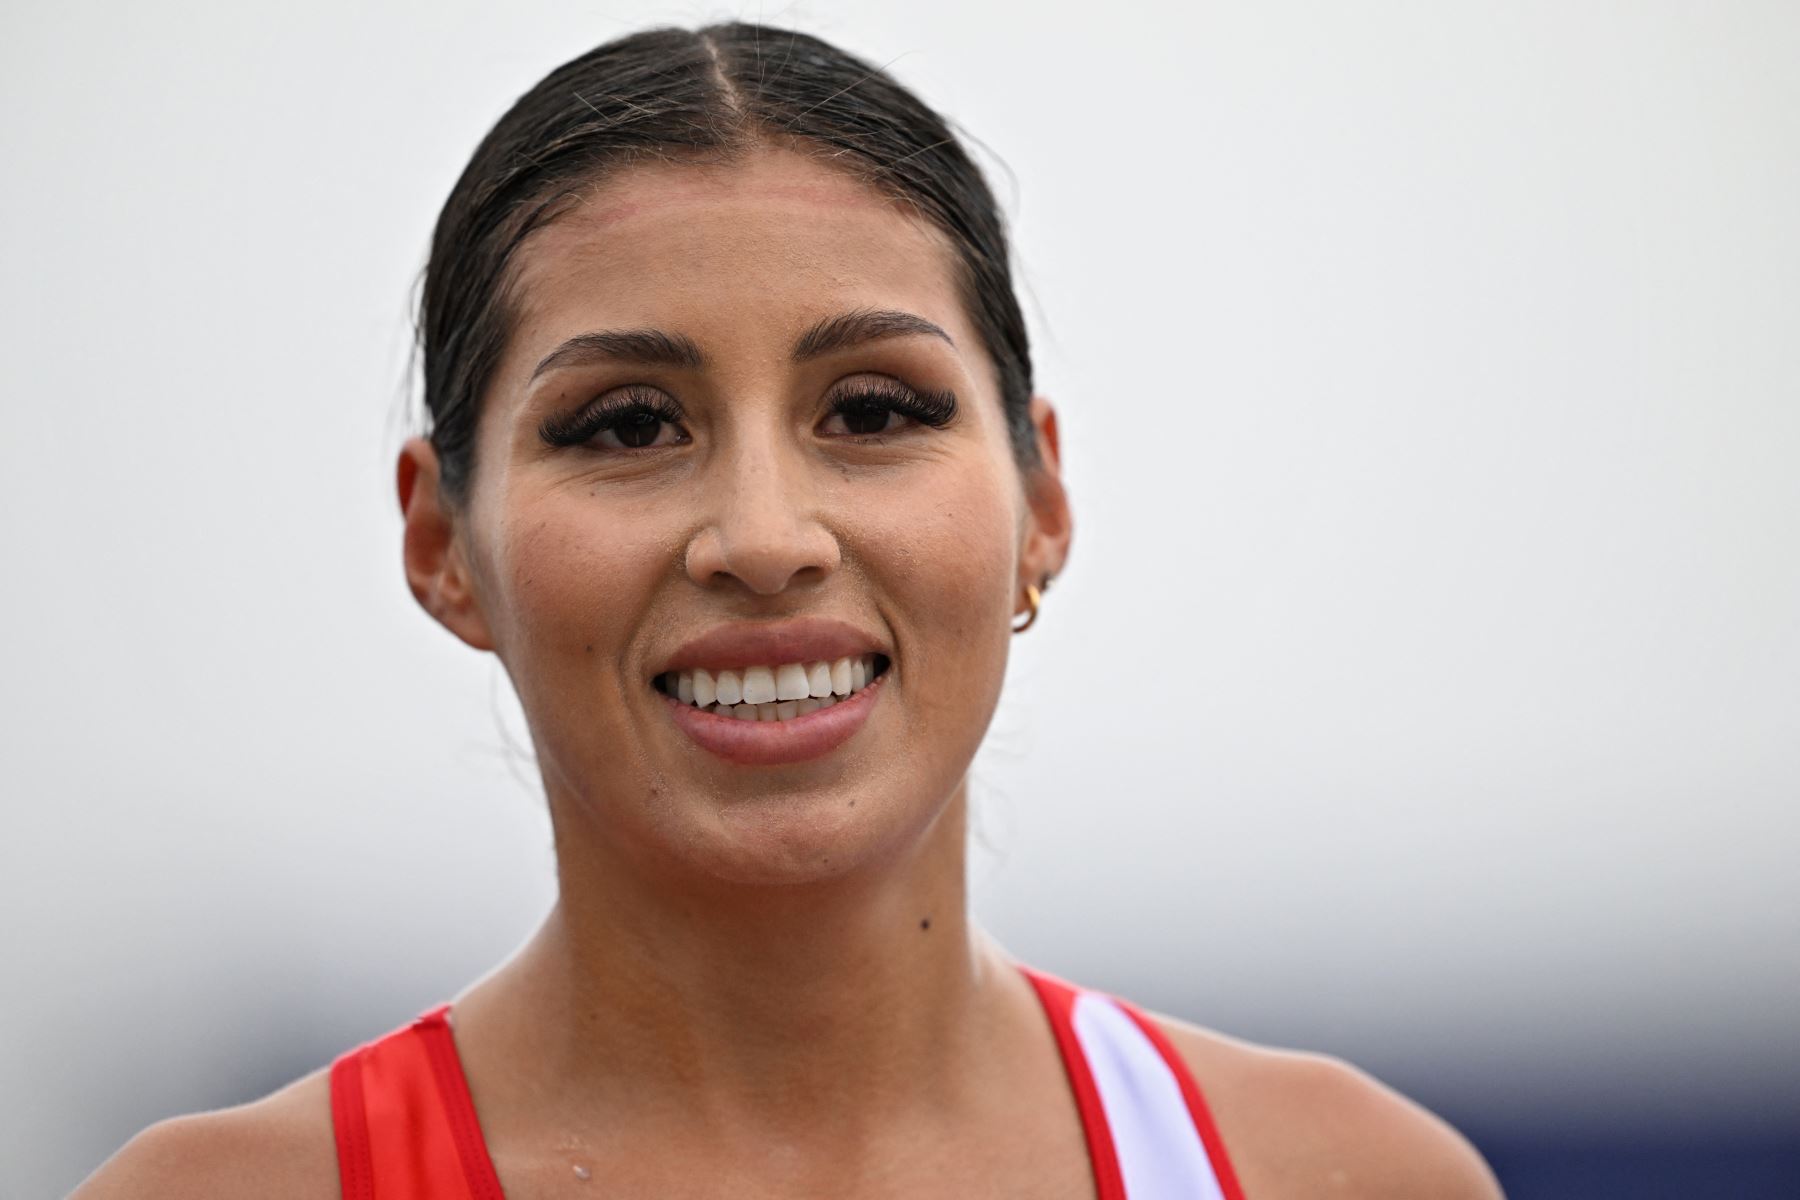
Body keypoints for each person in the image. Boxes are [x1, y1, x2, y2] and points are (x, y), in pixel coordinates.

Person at [77, 21, 1502, 1198]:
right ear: (445, 542)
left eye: (873, 408)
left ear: (1040, 502)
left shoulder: (1343, 1174)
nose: (763, 539)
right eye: (627, 425)